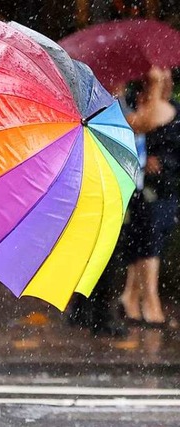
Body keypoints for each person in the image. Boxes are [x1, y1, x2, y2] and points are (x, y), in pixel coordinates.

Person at [67, 67, 176, 335]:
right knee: (104, 251)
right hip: (105, 184)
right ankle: (97, 316)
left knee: (100, 250)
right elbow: (141, 123)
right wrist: (153, 87)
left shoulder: (117, 100)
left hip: (116, 184)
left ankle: (82, 310)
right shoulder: (106, 104)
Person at [120, 67, 180, 328]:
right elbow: (137, 129)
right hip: (143, 187)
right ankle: (149, 302)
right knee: (147, 238)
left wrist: (167, 162)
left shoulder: (175, 109)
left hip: (169, 187)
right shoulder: (135, 106)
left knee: (152, 237)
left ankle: (130, 298)